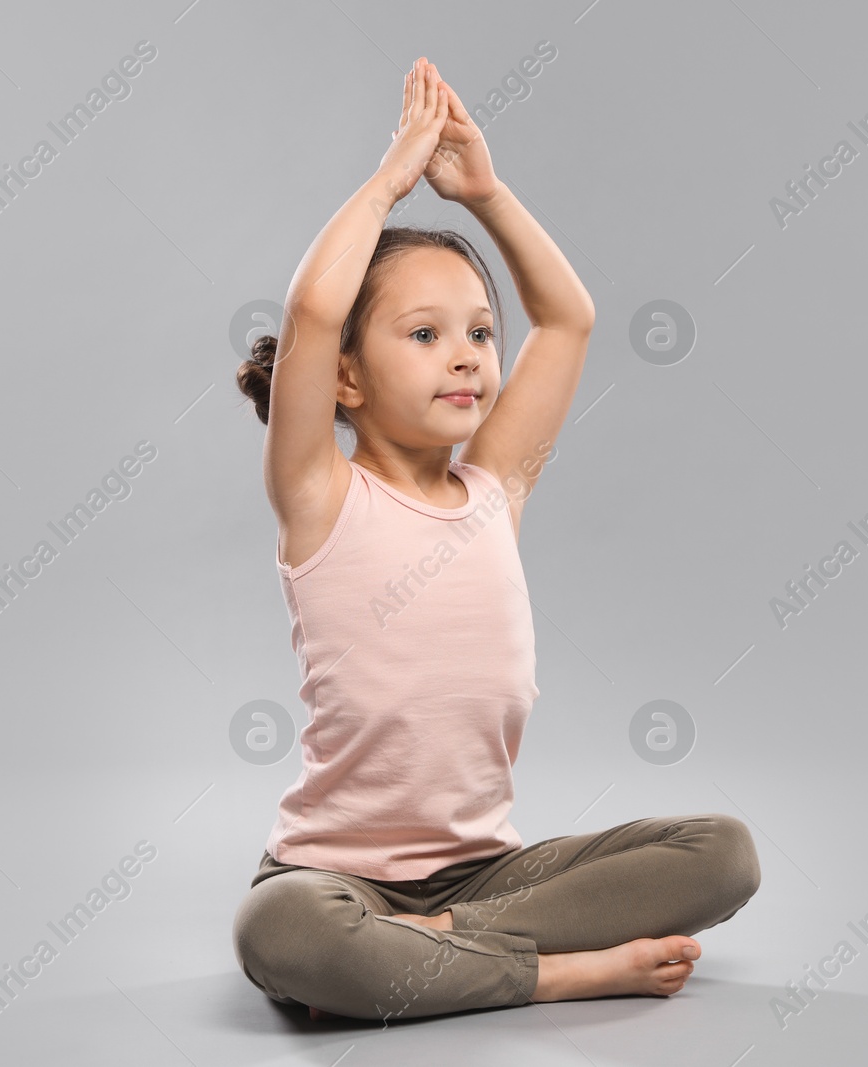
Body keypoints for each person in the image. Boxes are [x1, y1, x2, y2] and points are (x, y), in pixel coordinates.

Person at [230, 56, 760, 1024]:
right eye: (424, 334)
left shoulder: (493, 488)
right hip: (336, 880)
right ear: (343, 379)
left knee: (722, 852)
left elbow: (568, 318)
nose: (469, 353)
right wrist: (390, 178)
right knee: (281, 932)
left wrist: (487, 192)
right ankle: (554, 971)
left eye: (478, 331)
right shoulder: (320, 494)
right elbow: (311, 312)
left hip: (491, 876)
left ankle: (430, 959)